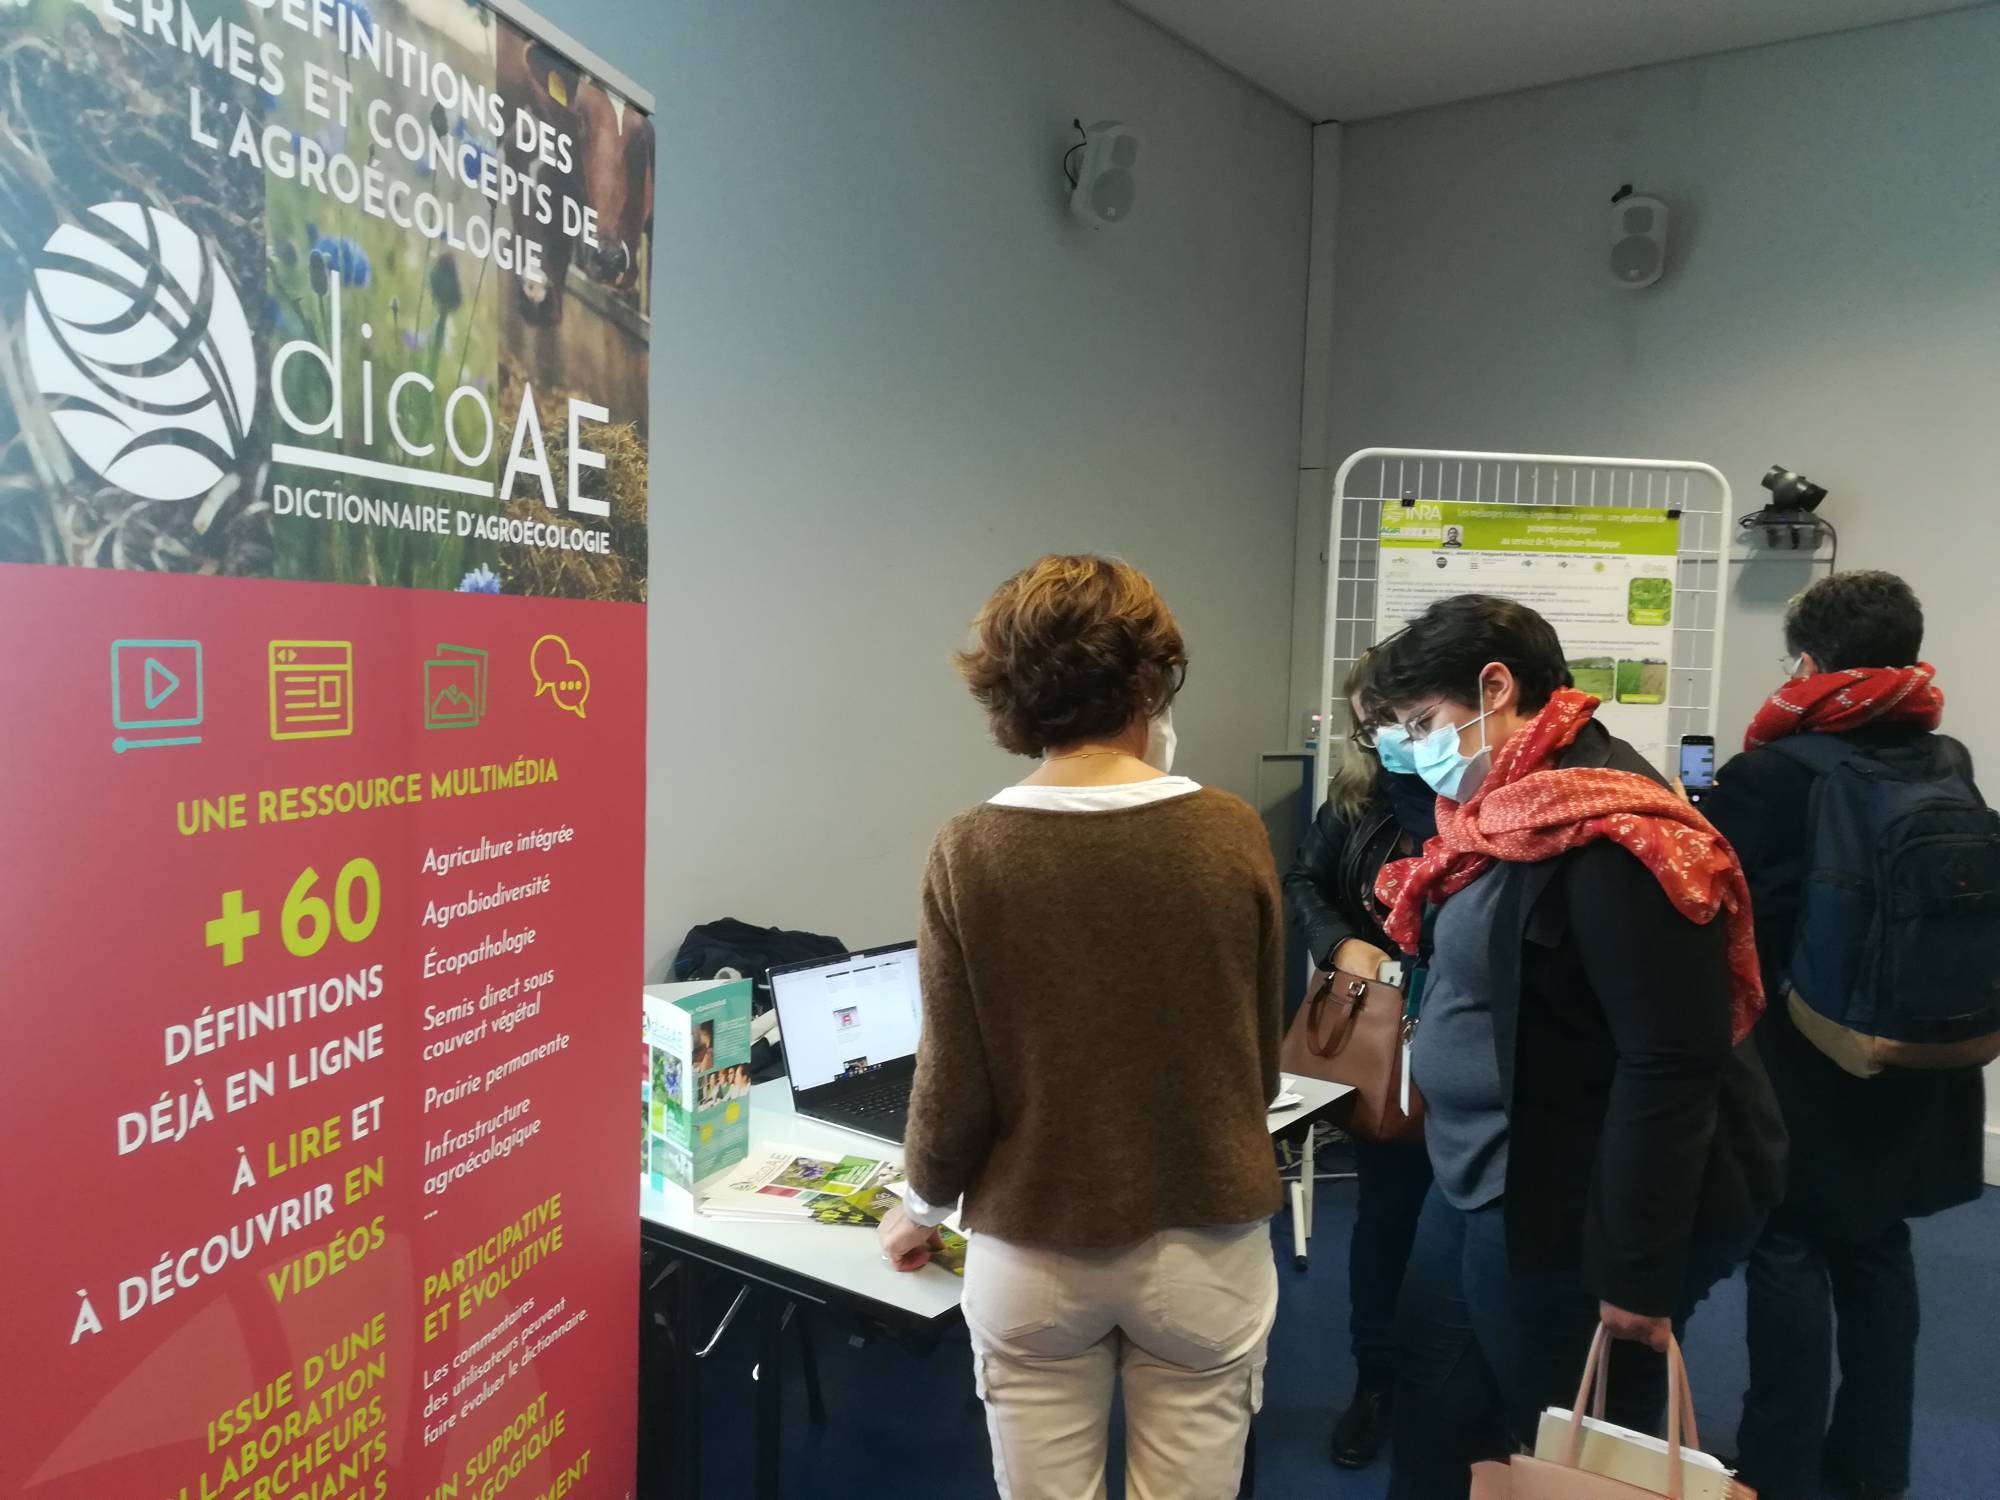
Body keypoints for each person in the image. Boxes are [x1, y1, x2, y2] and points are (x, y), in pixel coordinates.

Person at [877, 554, 1285, 1500]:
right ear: (1150, 680)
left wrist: (921, 1208)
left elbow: (954, 1084)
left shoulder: (967, 847)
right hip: (1204, 1245)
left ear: (1011, 693)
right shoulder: (1231, 831)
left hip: (1036, 1252)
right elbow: (1257, 1068)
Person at [1369, 595, 1785, 1500]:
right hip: (1476, 1177)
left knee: (1563, 1441)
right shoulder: (1505, 810)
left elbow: (1671, 1060)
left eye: (1422, 723)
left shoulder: (1615, 832)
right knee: (1437, 1402)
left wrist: (1636, 1271)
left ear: (1497, 687)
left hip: (1563, 1199)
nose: (1412, 746)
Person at [1703, 572, 1986, 1500]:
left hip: (1801, 1056)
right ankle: (1873, 1467)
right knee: (1876, 1246)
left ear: (1811, 662)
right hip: (1914, 1052)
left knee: (1786, 1248)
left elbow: (1723, 914)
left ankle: (1778, 1467)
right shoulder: (1946, 759)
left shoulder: (1769, 774)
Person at [1282, 650, 1437, 1469]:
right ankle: (1375, 1382)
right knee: (1385, 1221)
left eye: (1393, 719)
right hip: (1385, 1052)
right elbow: (1305, 880)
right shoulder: (1357, 797)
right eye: (1365, 725)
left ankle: (1465, 1396)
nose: (1380, 738)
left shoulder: (1491, 797)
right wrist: (1340, 943)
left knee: (1475, 1235)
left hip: (1477, 1052)